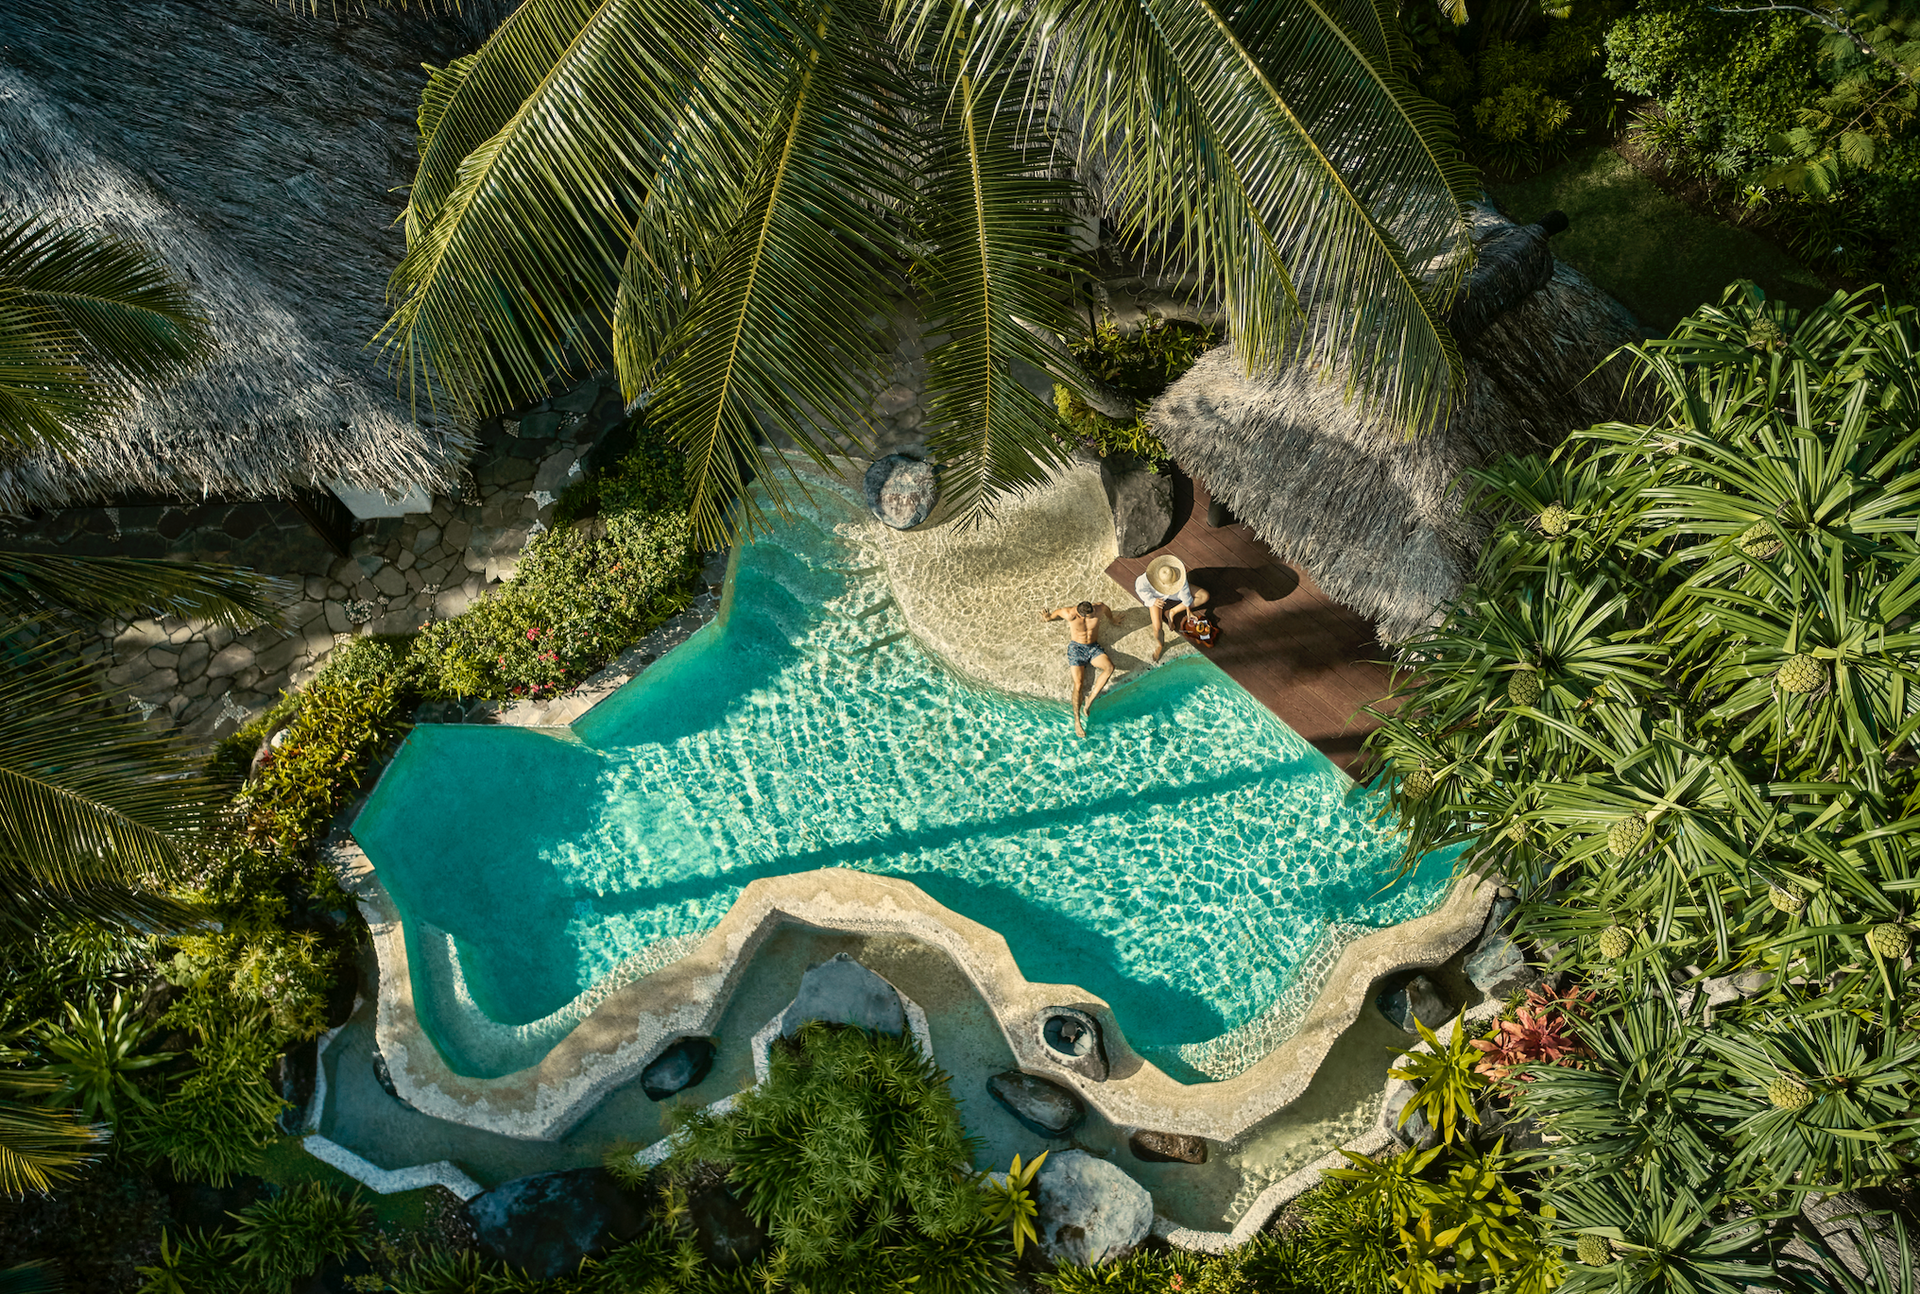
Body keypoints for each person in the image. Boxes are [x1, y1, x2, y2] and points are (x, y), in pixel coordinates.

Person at [1040, 599, 1116, 737]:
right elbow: (1054, 614)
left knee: (1109, 667)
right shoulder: (1069, 613)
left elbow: (1107, 611)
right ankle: (1077, 721)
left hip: (1093, 647)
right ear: (1080, 615)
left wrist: (1112, 619)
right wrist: (1048, 617)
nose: (1093, 616)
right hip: (1077, 649)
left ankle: (1089, 701)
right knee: (1078, 684)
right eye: (1089, 616)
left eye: (1092, 613)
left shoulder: (1098, 608)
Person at [1134, 553, 1209, 661]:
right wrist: (1153, 600)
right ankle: (1161, 645)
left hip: (1175, 592)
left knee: (1204, 596)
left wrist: (1189, 611)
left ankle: (1172, 612)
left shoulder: (1176, 575)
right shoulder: (1143, 581)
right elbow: (1142, 592)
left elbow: (1185, 594)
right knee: (1157, 627)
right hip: (1156, 597)